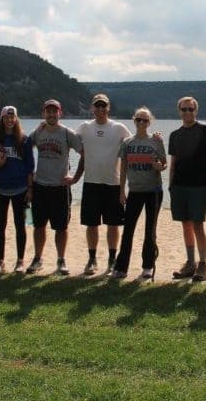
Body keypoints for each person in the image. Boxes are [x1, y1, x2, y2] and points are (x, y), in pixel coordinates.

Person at [168, 96, 206, 281]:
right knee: (186, 225)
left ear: (196, 111)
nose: (187, 112)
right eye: (184, 109)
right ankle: (190, 263)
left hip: (199, 186)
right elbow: (173, 161)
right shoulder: (174, 135)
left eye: (190, 109)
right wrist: (170, 184)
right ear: (179, 111)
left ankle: (203, 264)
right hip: (179, 186)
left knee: (198, 225)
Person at [74, 93, 131, 275]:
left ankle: (112, 259)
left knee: (113, 224)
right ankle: (92, 259)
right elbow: (67, 139)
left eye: (103, 106)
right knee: (92, 224)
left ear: (108, 108)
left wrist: (155, 140)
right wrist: (44, 125)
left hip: (113, 184)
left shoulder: (118, 128)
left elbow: (135, 142)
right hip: (91, 183)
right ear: (92, 108)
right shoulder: (84, 127)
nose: (100, 109)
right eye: (97, 106)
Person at [26, 99, 84, 275]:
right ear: (43, 113)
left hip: (60, 188)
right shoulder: (38, 132)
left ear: (60, 113)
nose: (51, 114)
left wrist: (75, 178)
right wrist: (29, 180)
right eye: (48, 111)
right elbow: (24, 148)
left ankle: (61, 260)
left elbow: (84, 153)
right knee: (38, 225)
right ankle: (38, 258)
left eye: (54, 111)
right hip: (40, 186)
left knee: (61, 227)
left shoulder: (67, 133)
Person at [111, 107, 167, 280]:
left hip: (154, 191)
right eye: (138, 120)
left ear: (149, 122)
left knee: (150, 230)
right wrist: (122, 192)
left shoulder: (156, 141)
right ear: (134, 120)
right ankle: (121, 267)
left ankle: (148, 266)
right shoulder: (127, 143)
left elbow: (164, 163)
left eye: (145, 120)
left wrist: (160, 166)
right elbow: (124, 168)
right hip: (134, 191)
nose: (142, 123)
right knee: (128, 229)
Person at [0, 106, 34, 274]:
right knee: (0, 225)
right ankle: (0, 261)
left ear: (16, 119)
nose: (9, 120)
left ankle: (20, 261)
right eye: (6, 117)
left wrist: (30, 189)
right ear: (1, 119)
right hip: (0, 189)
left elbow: (30, 167)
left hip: (21, 189)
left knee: (21, 225)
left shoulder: (24, 140)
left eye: (12, 117)